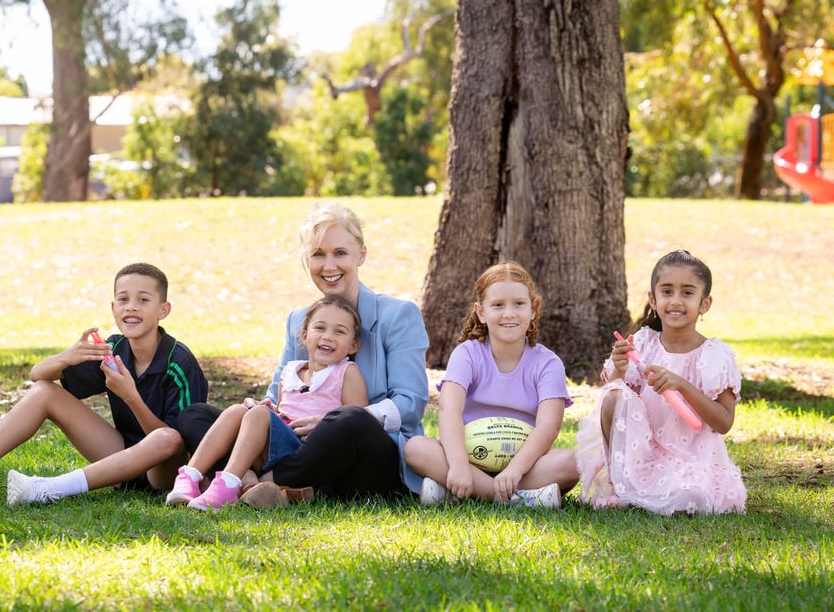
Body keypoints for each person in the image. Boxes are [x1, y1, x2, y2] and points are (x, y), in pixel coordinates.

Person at [174, 201, 430, 503]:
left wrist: (327, 420)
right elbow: (280, 391)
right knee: (198, 416)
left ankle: (259, 483)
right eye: (318, 254)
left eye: (340, 253)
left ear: (361, 254)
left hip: (365, 455)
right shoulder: (301, 321)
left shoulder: (398, 315)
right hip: (299, 447)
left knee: (349, 419)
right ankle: (284, 490)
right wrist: (261, 406)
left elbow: (409, 404)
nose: (329, 266)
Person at [0, 262, 209, 505]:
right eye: (123, 299)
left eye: (143, 299)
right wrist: (67, 356)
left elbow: (179, 446)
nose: (131, 307)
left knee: (166, 438)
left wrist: (130, 397)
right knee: (46, 391)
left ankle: (49, 488)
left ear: (163, 310)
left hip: (166, 473)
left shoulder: (178, 362)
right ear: (112, 308)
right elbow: (38, 375)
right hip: (119, 455)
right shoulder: (113, 349)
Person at [575, 250, 747, 515]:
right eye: (667, 292)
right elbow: (617, 407)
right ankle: (619, 484)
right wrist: (619, 371)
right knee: (613, 395)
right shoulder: (642, 344)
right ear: (653, 300)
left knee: (691, 496)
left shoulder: (714, 355)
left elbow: (724, 423)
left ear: (705, 303)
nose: (676, 301)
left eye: (687, 293)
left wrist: (682, 386)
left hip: (689, 459)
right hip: (640, 455)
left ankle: (650, 495)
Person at [166, 296, 369, 510]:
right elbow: (283, 410)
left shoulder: (346, 372)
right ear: (304, 335)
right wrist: (268, 410)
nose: (328, 337)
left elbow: (357, 423)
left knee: (258, 415)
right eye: (320, 328)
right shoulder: (290, 371)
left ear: (353, 345)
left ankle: (229, 483)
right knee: (238, 411)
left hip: (307, 452)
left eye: (339, 331)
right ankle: (189, 476)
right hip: (276, 447)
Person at [404, 262, 577, 509]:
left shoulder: (548, 363)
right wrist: (458, 464)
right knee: (416, 448)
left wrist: (515, 470)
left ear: (533, 309)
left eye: (519, 304)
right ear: (481, 312)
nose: (509, 313)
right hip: (470, 461)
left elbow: (549, 425)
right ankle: (517, 499)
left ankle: (459, 493)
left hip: (525, 467)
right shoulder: (467, 354)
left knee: (573, 462)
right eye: (497, 305)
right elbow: (449, 411)